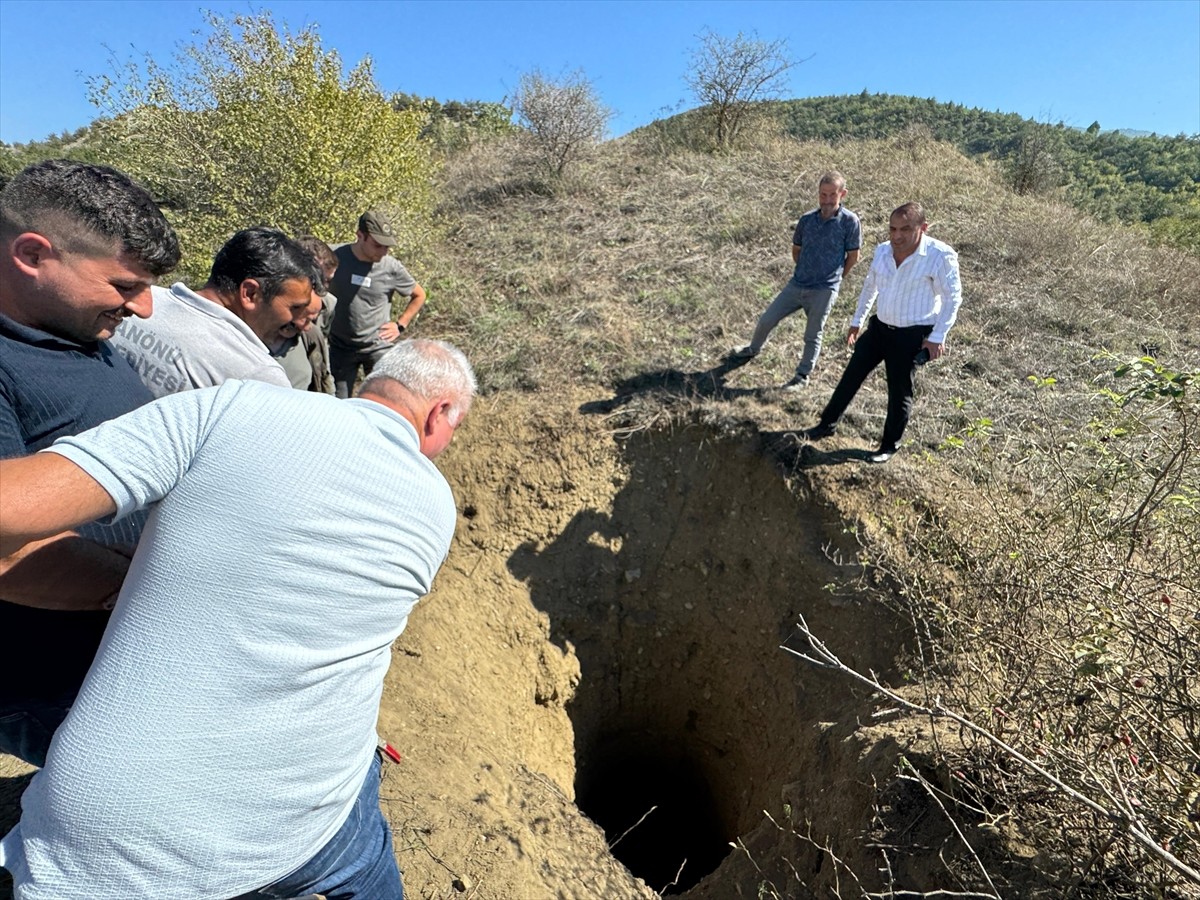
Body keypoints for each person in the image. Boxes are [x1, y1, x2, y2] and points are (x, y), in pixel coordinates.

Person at [0, 339, 476, 900]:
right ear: (440, 413)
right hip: (309, 811)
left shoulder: (227, 406)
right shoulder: (434, 503)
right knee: (364, 862)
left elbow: (12, 506)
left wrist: (128, 575)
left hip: (98, 827)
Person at [0, 158, 180, 767]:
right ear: (32, 253)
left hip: (120, 652)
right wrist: (154, 587)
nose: (144, 309)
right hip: (52, 682)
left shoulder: (79, 330)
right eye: (125, 286)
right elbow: (9, 556)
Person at [802, 202, 962, 464]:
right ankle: (826, 424)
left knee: (899, 393)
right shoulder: (883, 251)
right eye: (892, 229)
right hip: (879, 328)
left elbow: (952, 299)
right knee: (851, 375)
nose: (897, 236)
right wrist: (857, 321)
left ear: (923, 228)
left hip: (911, 335)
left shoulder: (939, 256)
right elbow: (870, 287)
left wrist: (937, 337)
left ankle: (889, 446)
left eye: (905, 229)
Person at [110, 226, 321, 397]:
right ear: (249, 293)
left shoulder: (128, 305)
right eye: (294, 308)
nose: (298, 321)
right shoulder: (258, 375)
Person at [731, 171, 861, 389]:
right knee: (767, 319)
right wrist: (804, 270)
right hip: (797, 284)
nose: (827, 200)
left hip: (824, 289)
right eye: (823, 194)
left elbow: (853, 257)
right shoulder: (807, 220)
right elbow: (796, 250)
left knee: (813, 334)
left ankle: (802, 376)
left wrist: (835, 279)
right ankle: (752, 349)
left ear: (842, 194)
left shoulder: (850, 222)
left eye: (832, 195)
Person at [328, 209, 427, 398]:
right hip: (341, 347)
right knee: (338, 403)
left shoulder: (391, 267)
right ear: (360, 236)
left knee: (384, 400)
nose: (383, 252)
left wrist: (400, 325)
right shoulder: (334, 257)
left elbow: (419, 295)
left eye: (387, 247)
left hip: (377, 346)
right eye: (377, 245)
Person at [270, 235, 337, 394]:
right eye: (316, 281)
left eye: (327, 281)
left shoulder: (327, 305)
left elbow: (323, 367)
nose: (323, 290)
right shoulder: (259, 317)